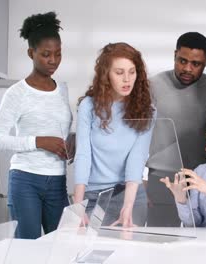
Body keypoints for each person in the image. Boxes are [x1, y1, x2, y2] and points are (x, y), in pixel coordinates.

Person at [0, 12, 71, 239]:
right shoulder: (17, 93)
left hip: (57, 180)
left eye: (58, 54)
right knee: (26, 249)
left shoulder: (62, 89)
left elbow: (60, 132)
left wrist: (70, 144)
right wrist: (39, 141)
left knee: (62, 245)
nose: (53, 60)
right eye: (46, 55)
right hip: (26, 179)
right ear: (30, 53)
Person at [73, 42, 155, 227]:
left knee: (131, 254)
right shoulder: (88, 106)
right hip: (93, 196)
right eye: (119, 73)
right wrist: (78, 205)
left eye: (132, 72)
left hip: (130, 195)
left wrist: (127, 206)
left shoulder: (147, 110)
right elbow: (83, 155)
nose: (127, 79)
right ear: (106, 75)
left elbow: (137, 157)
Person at [149, 32, 206, 170]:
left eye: (196, 64)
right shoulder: (151, 86)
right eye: (182, 61)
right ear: (175, 55)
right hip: (159, 172)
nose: (187, 69)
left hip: (203, 174)